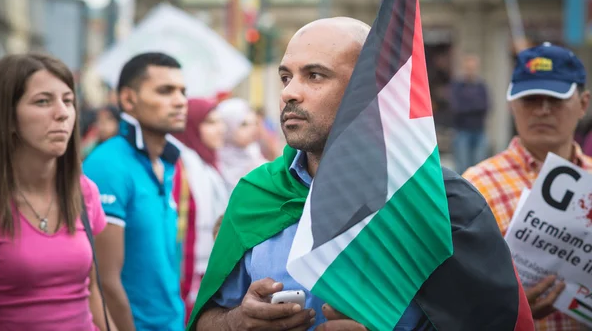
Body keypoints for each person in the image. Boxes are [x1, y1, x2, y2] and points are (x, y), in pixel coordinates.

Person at [190, 18, 533, 330]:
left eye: (315, 75)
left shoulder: (442, 203)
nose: (288, 93)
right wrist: (237, 322)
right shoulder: (257, 194)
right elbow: (205, 319)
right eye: (286, 77)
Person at [464, 43, 591, 331]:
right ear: (512, 104)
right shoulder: (475, 185)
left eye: (555, 99)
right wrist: (508, 313)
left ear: (583, 104)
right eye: (531, 99)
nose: (543, 110)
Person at [0, 53, 112, 330]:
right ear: (7, 117)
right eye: (43, 101)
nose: (62, 113)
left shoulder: (85, 191)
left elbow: (93, 293)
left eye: (68, 100)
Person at [84, 52, 188, 331]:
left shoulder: (168, 163)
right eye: (165, 91)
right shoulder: (107, 165)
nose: (180, 100)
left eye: (182, 91)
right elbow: (104, 280)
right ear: (128, 99)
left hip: (173, 322)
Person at [170, 98, 229, 318]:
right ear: (192, 126)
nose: (220, 129)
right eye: (211, 122)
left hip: (207, 272)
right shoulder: (181, 167)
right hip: (185, 276)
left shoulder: (208, 166)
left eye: (220, 122)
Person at [450, 54, 490, 174]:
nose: (470, 70)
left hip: (479, 131)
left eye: (473, 68)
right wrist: (475, 105)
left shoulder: (482, 86)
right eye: (468, 68)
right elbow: (456, 107)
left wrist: (468, 104)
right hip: (462, 131)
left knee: (479, 168)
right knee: (462, 169)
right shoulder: (457, 86)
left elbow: (486, 106)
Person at [216, 98, 267, 190]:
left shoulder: (254, 154)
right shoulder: (215, 161)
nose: (252, 129)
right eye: (244, 124)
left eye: (254, 123)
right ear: (227, 126)